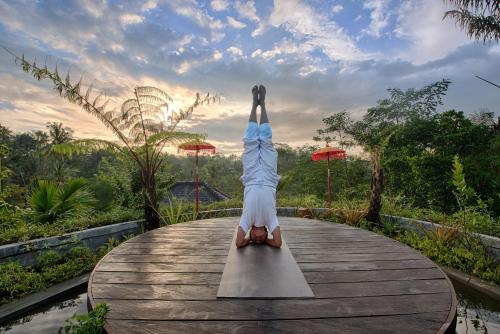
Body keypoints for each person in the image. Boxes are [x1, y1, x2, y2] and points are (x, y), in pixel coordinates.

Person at [235, 85, 282, 249]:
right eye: (259, 240)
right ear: (266, 233)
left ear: (250, 233)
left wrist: (247, 240)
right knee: (266, 141)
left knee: (250, 141)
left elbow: (238, 243)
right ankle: (263, 104)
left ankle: (255, 104)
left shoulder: (247, 220)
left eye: (253, 239)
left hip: (252, 176)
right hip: (269, 177)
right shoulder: (271, 220)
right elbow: (277, 243)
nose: (256, 238)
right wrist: (267, 242)